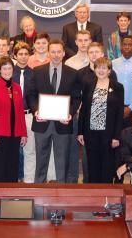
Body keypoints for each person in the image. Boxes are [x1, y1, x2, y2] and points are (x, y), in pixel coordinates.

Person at [27, 39, 81, 183]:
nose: (56, 55)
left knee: (62, 161)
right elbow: (31, 95)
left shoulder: (73, 73)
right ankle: (39, 190)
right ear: (49, 53)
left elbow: (76, 98)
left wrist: (70, 113)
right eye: (53, 52)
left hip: (63, 124)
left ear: (63, 53)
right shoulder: (38, 71)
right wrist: (36, 111)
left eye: (59, 52)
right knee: (40, 160)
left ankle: (61, 192)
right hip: (41, 122)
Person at [77, 57, 124, 183]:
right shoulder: (88, 84)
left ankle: (106, 192)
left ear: (109, 70)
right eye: (98, 67)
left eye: (104, 68)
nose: (101, 70)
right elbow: (84, 109)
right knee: (92, 164)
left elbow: (120, 113)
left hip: (108, 133)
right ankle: (94, 192)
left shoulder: (118, 87)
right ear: (94, 69)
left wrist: (116, 136)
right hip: (90, 131)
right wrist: (80, 132)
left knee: (107, 164)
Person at [0, 56, 27, 182]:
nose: (7, 71)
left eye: (9, 68)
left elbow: (20, 112)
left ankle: (10, 194)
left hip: (15, 134)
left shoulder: (17, 88)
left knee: (12, 165)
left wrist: (23, 133)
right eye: (4, 68)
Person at [65, 30, 92, 183]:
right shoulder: (69, 63)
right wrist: (74, 108)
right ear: (75, 42)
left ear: (90, 41)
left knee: (89, 149)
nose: (83, 43)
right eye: (80, 40)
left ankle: (89, 181)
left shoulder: (98, 62)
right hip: (74, 112)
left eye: (86, 40)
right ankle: (72, 181)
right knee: (73, 149)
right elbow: (68, 90)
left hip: (90, 113)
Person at [12, 42, 35, 183]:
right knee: (13, 150)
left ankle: (29, 181)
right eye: (20, 54)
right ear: (14, 55)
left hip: (28, 115)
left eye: (26, 54)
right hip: (12, 116)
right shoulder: (8, 73)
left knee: (30, 150)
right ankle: (13, 180)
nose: (23, 57)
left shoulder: (34, 74)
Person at [112, 35, 132, 128]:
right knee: (116, 140)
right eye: (124, 44)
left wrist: (130, 108)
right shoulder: (113, 64)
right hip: (116, 109)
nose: (127, 47)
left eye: (130, 45)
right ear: (120, 46)